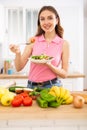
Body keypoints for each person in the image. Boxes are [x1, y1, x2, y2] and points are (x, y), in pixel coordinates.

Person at [9, 5, 69, 89]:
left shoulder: (63, 44)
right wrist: (17, 53)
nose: (46, 22)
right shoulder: (33, 40)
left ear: (57, 20)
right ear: (39, 22)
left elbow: (64, 74)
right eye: (42, 19)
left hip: (53, 87)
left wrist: (49, 65)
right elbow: (19, 67)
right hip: (32, 87)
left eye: (50, 18)